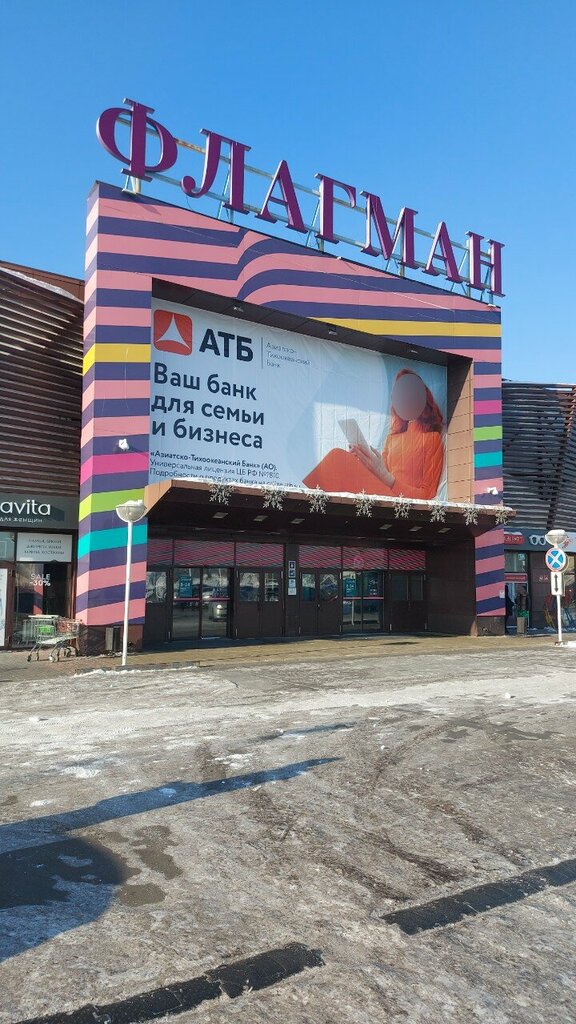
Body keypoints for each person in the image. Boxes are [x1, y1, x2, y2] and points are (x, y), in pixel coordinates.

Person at [303, 368, 445, 499]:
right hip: (384, 491)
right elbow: (381, 474)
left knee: (337, 457)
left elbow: (428, 494)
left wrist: (389, 480)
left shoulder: (432, 439)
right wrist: (365, 459)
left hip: (400, 498)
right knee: (341, 459)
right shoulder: (392, 439)